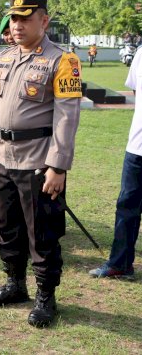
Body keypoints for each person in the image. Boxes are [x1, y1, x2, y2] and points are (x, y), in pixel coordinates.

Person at [0, 0, 82, 328]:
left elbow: (67, 116)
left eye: (25, 19)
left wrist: (58, 166)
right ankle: (14, 285)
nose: (17, 26)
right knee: (7, 227)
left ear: (43, 21)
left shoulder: (63, 61)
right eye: (14, 19)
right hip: (6, 158)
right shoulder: (4, 58)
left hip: (39, 161)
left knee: (42, 232)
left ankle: (45, 297)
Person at [89, 46, 141, 279]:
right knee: (127, 206)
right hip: (137, 147)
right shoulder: (141, 53)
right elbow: (136, 92)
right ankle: (120, 264)